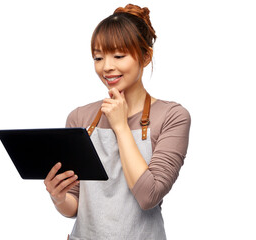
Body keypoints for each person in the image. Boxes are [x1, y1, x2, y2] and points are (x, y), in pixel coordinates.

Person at [44, 4, 191, 240]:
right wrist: (59, 197)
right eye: (98, 57)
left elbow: (148, 197)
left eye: (119, 56)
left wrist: (121, 126)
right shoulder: (79, 118)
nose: (106, 67)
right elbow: (74, 205)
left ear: (146, 56)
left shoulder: (172, 116)